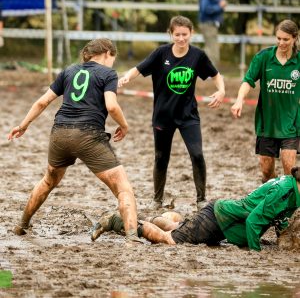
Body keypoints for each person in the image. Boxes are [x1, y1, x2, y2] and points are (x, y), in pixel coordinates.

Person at [8, 38, 140, 242]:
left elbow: (43, 101)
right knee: (123, 188)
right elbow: (112, 106)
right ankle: (132, 237)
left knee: (48, 181)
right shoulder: (108, 74)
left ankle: (21, 225)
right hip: (88, 135)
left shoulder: (69, 71)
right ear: (107, 53)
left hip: (59, 133)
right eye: (113, 57)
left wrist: (23, 125)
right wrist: (124, 125)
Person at [118, 15, 225, 211]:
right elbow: (138, 69)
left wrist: (221, 90)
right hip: (163, 116)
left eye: (185, 34)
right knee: (161, 157)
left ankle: (201, 199)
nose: (181, 39)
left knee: (197, 154)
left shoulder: (197, 56)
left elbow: (216, 75)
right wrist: (125, 78)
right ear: (171, 34)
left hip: (188, 116)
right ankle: (157, 200)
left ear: (191, 34)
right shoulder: (161, 53)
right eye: (177, 35)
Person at [91, 166, 300, 252]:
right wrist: (256, 251)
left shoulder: (290, 188)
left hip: (223, 221)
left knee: (179, 226)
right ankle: (116, 221)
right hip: (218, 219)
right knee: (169, 239)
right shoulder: (285, 191)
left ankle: (162, 217)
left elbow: (280, 217)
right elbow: (254, 221)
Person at [231, 19, 300, 183]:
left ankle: (288, 205)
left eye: (286, 39)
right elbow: (248, 81)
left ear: (295, 38)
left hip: (291, 124)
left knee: (289, 171)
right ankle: (274, 188)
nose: (281, 42)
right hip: (266, 124)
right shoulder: (263, 57)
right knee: (267, 171)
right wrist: (239, 100)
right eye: (278, 38)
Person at [199, 0, 227, 66]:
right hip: (208, 25)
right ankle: (210, 73)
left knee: (212, 50)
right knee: (212, 50)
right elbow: (206, 9)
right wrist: (220, 6)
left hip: (211, 26)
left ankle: (210, 73)